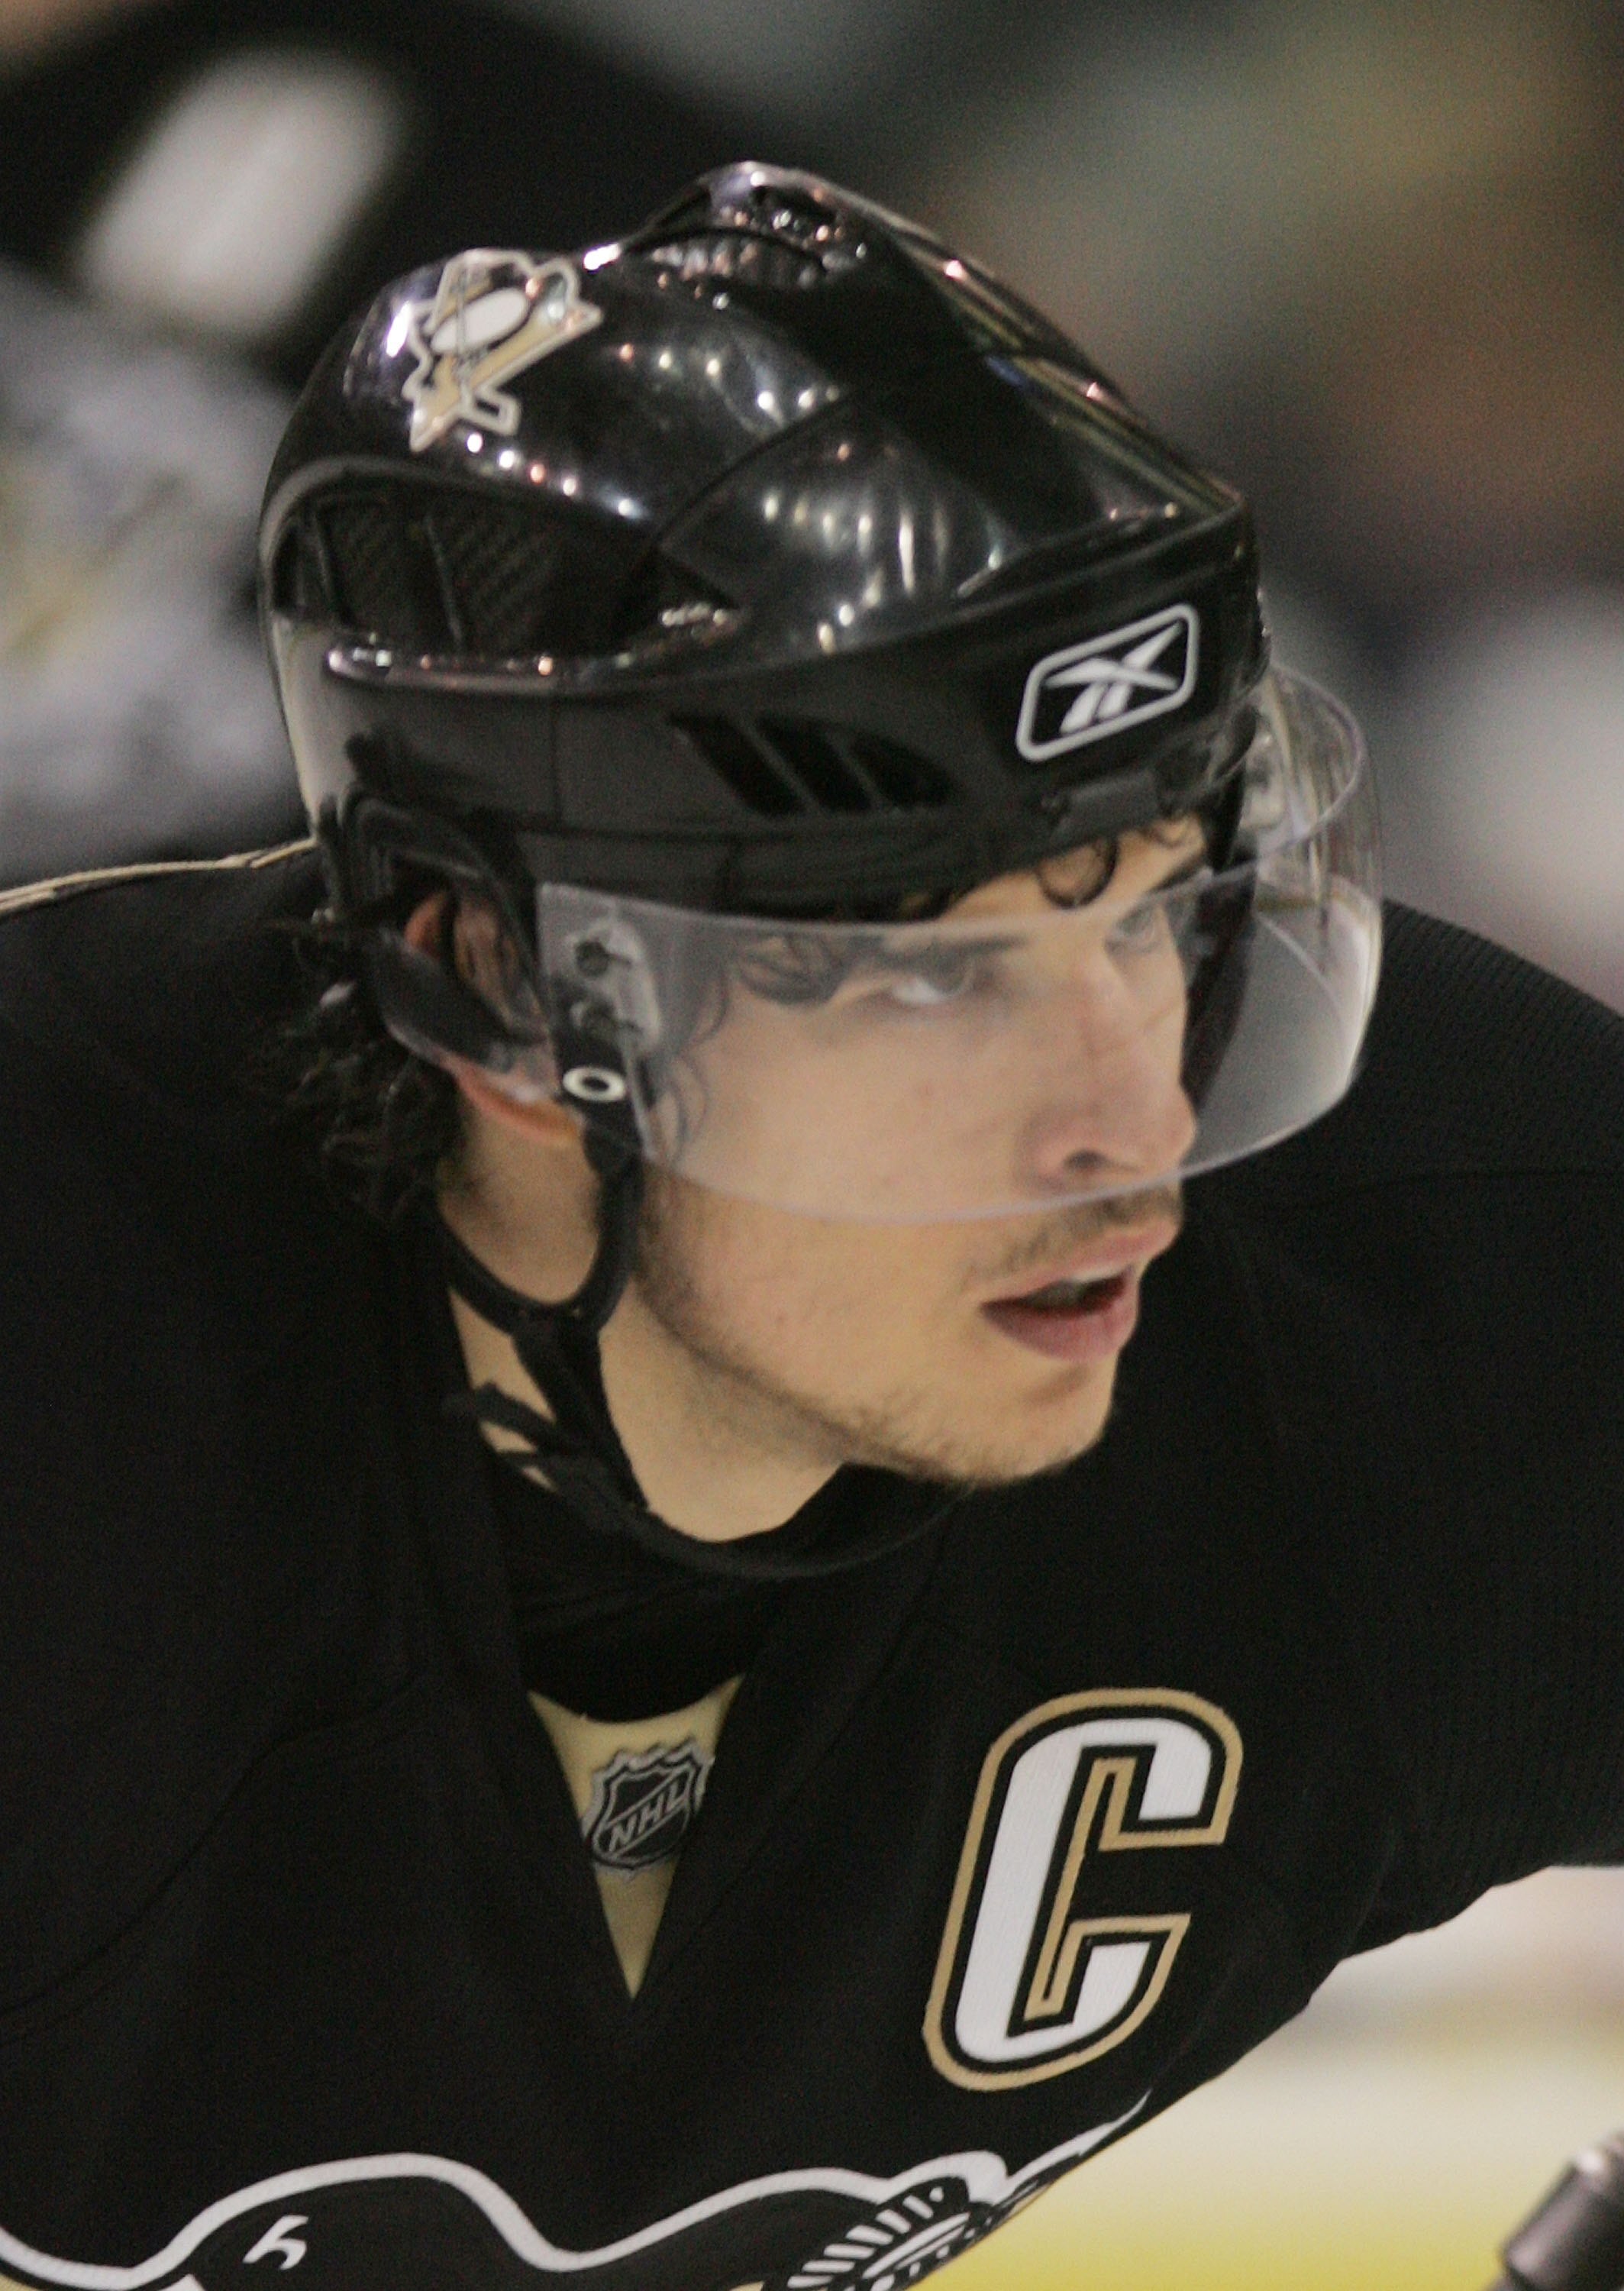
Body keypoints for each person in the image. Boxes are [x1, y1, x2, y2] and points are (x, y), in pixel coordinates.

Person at [0, 163, 1619, 2291]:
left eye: (1159, 915)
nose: (1131, 1122)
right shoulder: (66, 1328)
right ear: (489, 977)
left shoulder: (1435, 1284)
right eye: (919, 974)